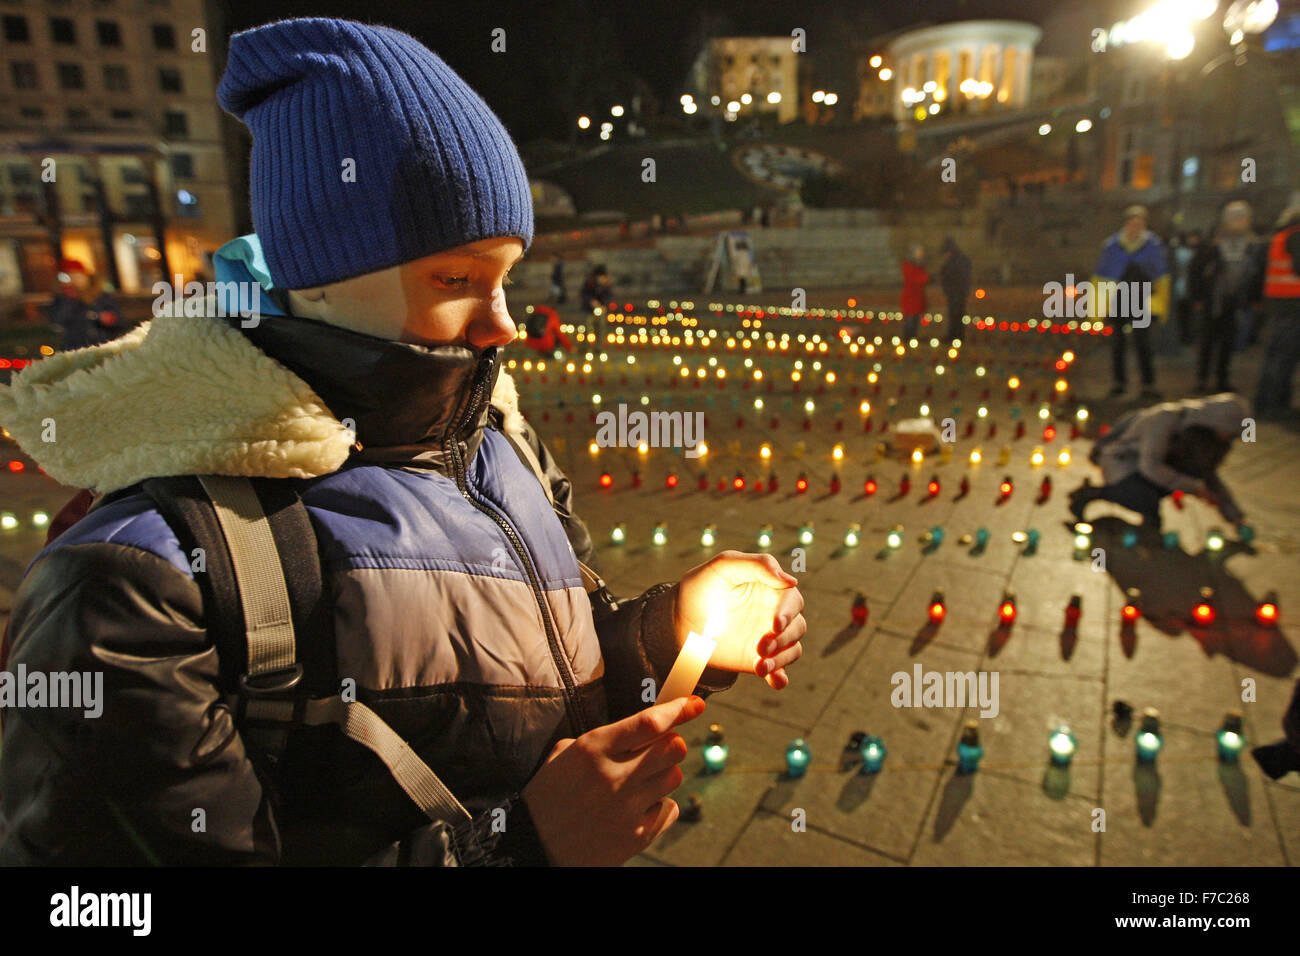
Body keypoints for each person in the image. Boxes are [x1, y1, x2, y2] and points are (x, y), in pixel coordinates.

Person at [0, 18, 807, 867]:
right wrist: (519, 849)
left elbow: (546, 673)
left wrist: (673, 635)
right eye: (456, 281)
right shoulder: (140, 582)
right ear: (319, 276)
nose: (505, 325)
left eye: (506, 278)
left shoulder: (498, 441)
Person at [1068, 393, 1248, 532]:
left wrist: (1234, 516)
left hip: (1152, 471)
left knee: (1153, 505)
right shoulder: (1165, 419)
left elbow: (1207, 473)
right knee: (1146, 502)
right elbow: (1150, 466)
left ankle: (1146, 506)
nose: (1229, 438)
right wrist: (1193, 487)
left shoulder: (1206, 436)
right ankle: (1095, 494)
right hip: (1124, 465)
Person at [1094, 205, 1168, 400]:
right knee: (1118, 345)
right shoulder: (1112, 246)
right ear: (1126, 224)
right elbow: (1102, 276)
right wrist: (1099, 306)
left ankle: (1147, 384)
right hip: (1118, 300)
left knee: (1143, 343)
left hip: (1142, 300)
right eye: (1132, 223)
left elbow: (1160, 275)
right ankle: (1119, 383)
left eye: (1139, 223)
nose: (1135, 227)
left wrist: (1160, 304)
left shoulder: (1153, 246)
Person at [1193, 201, 1263, 394]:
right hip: (1212, 300)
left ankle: (1222, 379)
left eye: (1242, 219)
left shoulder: (1252, 245)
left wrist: (1254, 299)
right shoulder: (1211, 243)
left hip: (1235, 301)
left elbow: (1257, 274)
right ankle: (1202, 379)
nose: (1238, 223)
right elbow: (1196, 271)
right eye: (1235, 218)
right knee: (1207, 341)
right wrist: (1198, 297)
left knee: (1228, 342)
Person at [1254, 205, 1300, 418]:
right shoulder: (1296, 237)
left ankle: (1265, 402)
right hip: (1293, 305)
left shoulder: (1281, 236)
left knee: (1275, 355)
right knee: (1283, 357)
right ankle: (1275, 405)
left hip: (1280, 303)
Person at [44, 258, 124, 350]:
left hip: (103, 345)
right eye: (69, 276)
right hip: (75, 348)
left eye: (76, 275)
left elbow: (120, 321)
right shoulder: (61, 299)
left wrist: (108, 319)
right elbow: (57, 321)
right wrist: (69, 298)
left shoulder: (101, 296)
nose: (74, 280)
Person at [1170, 230, 1202, 345]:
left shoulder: (1176, 253)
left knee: (1179, 314)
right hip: (1189, 287)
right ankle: (1188, 337)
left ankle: (1180, 336)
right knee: (1188, 315)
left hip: (1178, 286)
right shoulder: (1192, 253)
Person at [937, 237, 971, 343]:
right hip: (958, 292)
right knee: (957, 315)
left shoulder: (954, 261)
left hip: (955, 292)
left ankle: (955, 336)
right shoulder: (961, 259)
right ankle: (957, 336)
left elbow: (949, 275)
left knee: (955, 315)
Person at [900, 245, 929, 340]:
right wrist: (926, 278)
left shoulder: (918, 265)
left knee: (915, 319)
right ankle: (908, 338)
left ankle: (912, 337)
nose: (921, 254)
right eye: (919, 252)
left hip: (917, 297)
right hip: (911, 297)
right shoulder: (909, 266)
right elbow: (916, 278)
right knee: (910, 319)